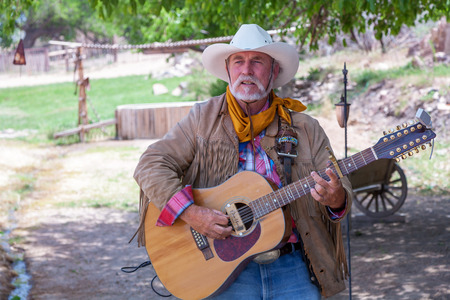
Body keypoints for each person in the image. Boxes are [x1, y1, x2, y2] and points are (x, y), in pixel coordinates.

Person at [133, 24, 352, 299]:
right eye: (239, 61)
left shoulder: (306, 128)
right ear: (228, 70)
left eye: (257, 61)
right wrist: (192, 214)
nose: (246, 70)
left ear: (274, 71)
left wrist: (336, 198)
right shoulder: (202, 118)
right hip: (222, 268)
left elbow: (340, 191)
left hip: (292, 265)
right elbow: (150, 164)